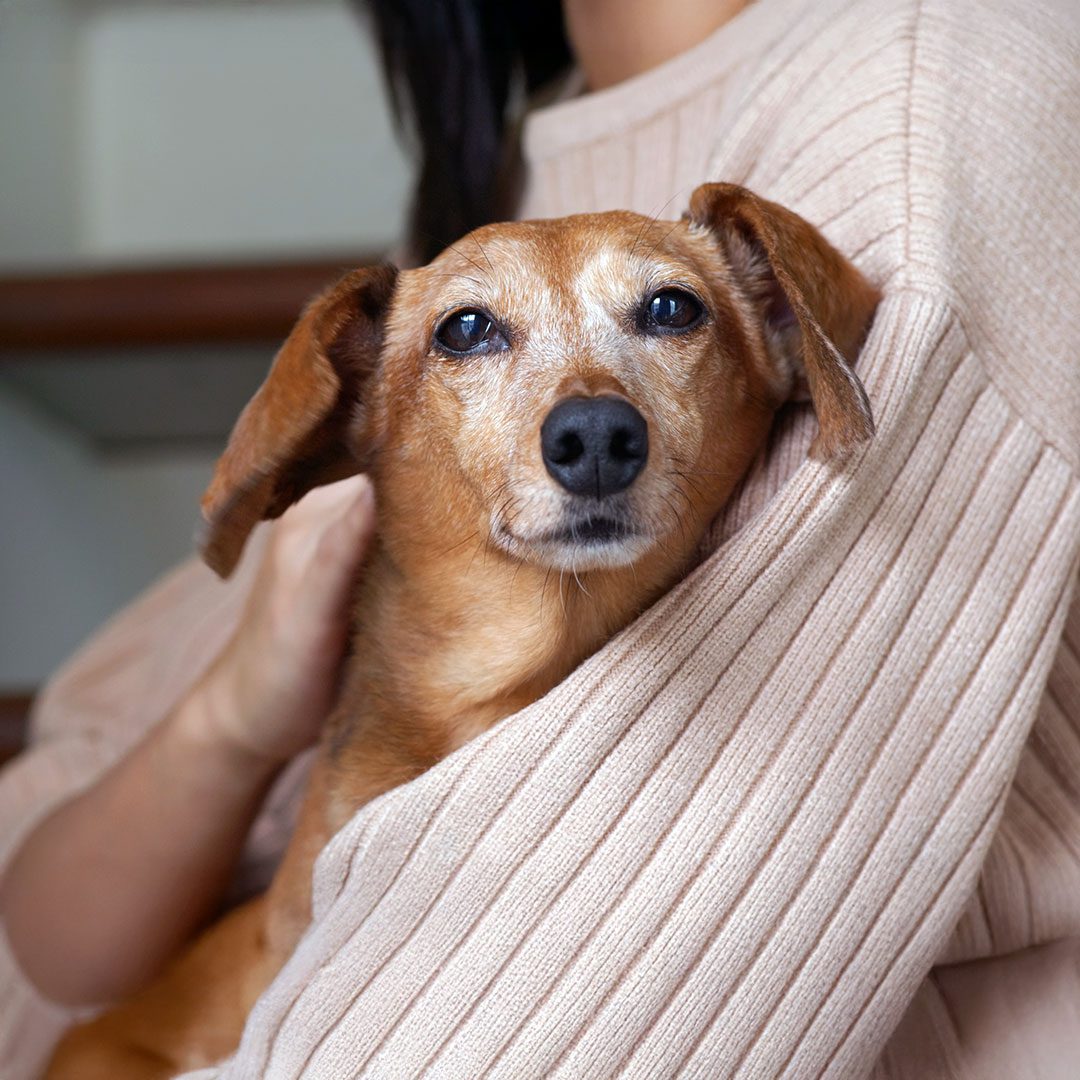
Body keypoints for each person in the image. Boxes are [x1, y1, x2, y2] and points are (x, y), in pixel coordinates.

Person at [2, 0, 1079, 1076]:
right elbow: (57, 927)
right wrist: (235, 717)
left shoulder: (922, 95)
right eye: (475, 333)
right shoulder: (491, 186)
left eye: (666, 312)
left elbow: (615, 987)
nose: (591, 421)